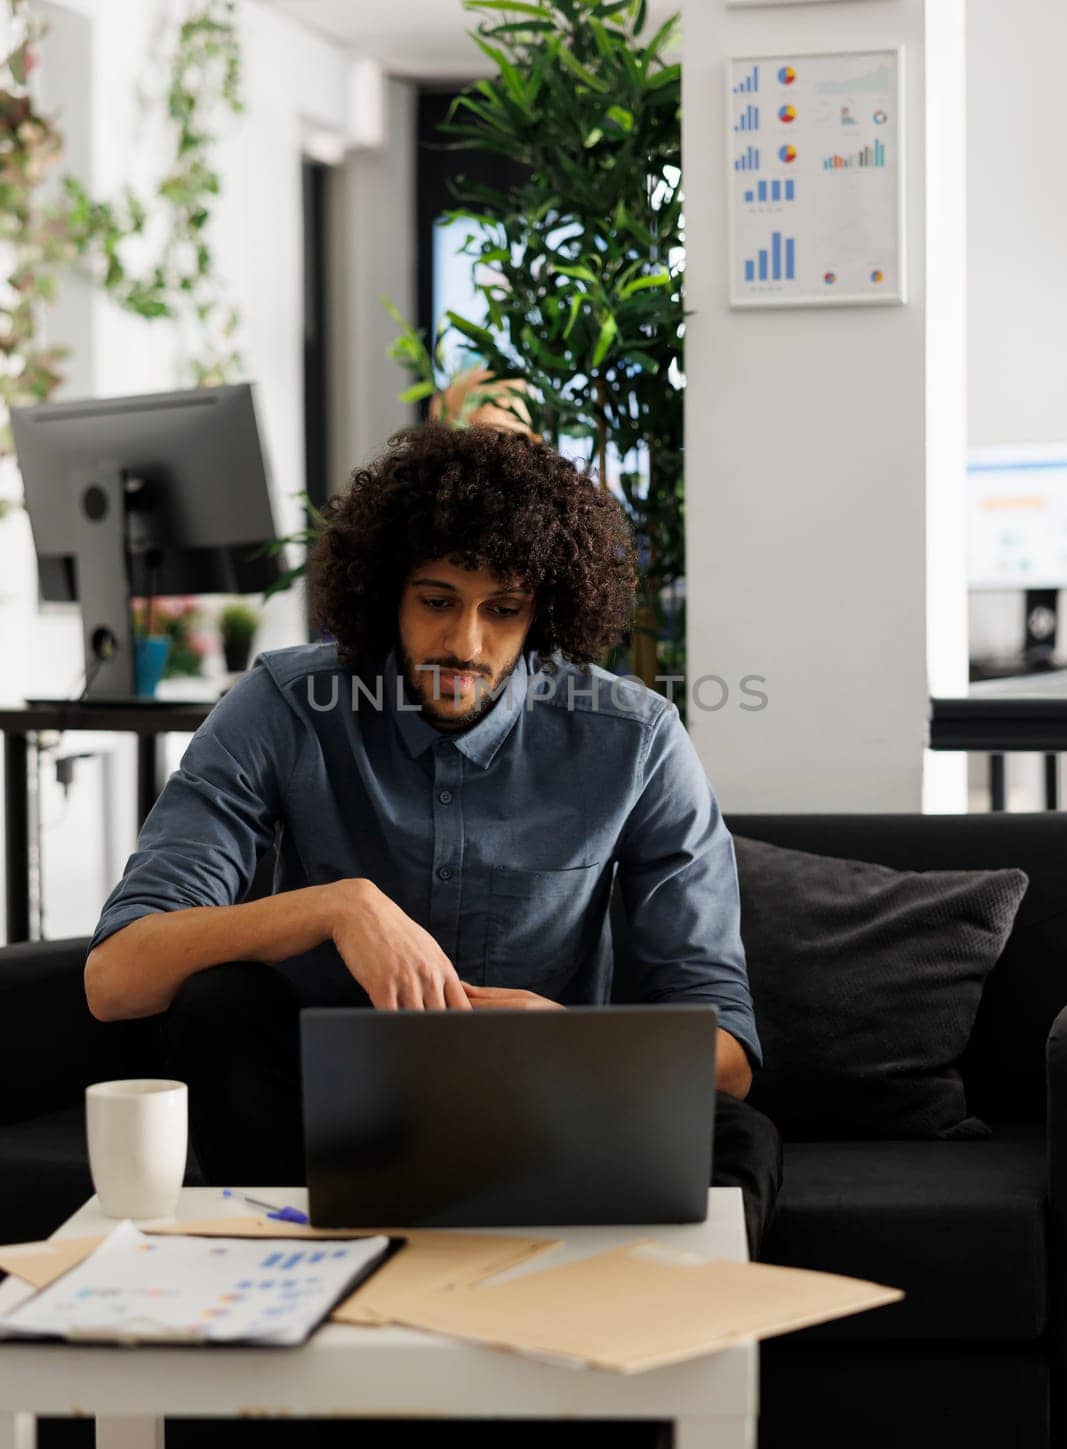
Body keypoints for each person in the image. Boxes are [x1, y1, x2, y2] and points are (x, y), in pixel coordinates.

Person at [85, 423, 782, 1260]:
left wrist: (563, 1043)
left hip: (548, 1104)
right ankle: (303, 1291)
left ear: (547, 612)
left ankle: (642, 1352)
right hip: (315, 1117)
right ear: (387, 593)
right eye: (438, 600)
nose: (465, 645)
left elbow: (730, 1056)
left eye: (504, 610)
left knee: (739, 1137)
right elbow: (114, 979)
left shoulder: (633, 739)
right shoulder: (283, 705)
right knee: (219, 1006)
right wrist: (336, 909)